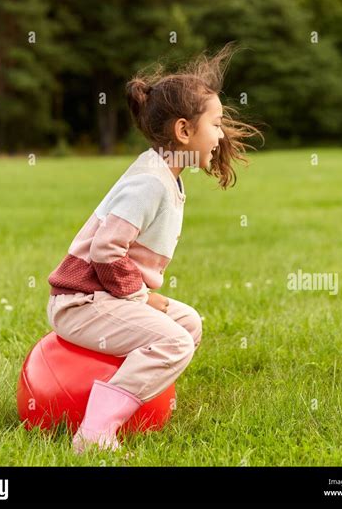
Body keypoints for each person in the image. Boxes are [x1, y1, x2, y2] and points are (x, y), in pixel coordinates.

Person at [46, 43, 260, 454]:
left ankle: (142, 404)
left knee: (189, 325)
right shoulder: (150, 181)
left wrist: (143, 301)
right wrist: (144, 299)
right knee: (174, 342)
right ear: (183, 131)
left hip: (107, 297)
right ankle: (93, 436)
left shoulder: (167, 173)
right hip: (81, 303)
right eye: (215, 125)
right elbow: (107, 250)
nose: (221, 134)